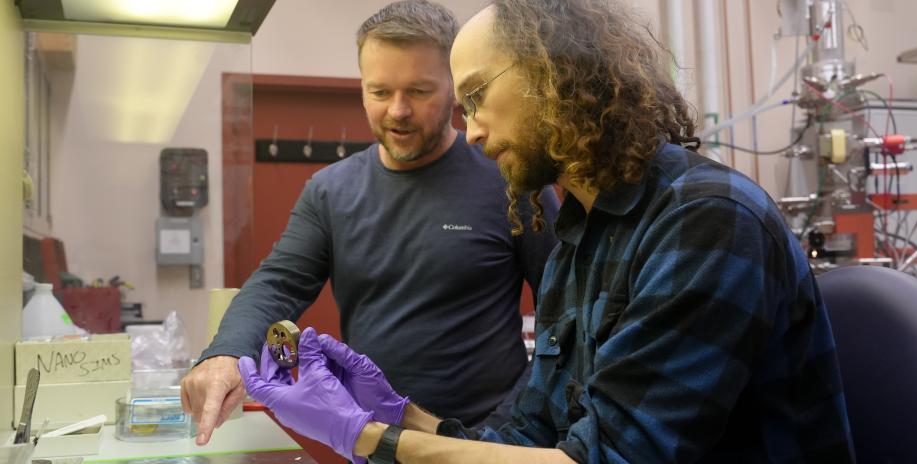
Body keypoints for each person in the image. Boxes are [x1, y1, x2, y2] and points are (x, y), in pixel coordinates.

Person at [236, 0, 857, 462]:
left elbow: (605, 459)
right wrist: (395, 412)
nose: (472, 132)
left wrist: (366, 437)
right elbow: (533, 433)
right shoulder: (580, 234)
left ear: (554, 75)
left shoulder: (707, 221)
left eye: (476, 96)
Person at [181, 0, 559, 446]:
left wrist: (510, 427)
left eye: (418, 91)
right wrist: (226, 353)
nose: (397, 110)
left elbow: (563, 312)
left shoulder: (508, 179)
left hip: (486, 441)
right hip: (374, 439)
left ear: (454, 89)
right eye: (379, 92)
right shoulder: (330, 192)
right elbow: (277, 284)